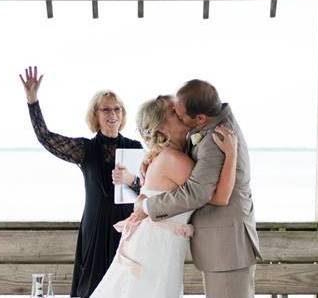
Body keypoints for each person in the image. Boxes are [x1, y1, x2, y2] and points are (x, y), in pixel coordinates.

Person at [90, 95, 239, 298]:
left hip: (157, 244)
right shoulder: (173, 159)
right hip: (155, 248)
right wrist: (232, 154)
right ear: (161, 128)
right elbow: (220, 197)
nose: (181, 113)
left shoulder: (164, 156)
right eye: (173, 112)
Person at [19, 66, 142, 298]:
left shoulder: (134, 147)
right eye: (106, 109)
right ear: (95, 114)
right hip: (94, 227)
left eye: (117, 109)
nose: (112, 114)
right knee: (92, 287)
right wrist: (32, 101)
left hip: (126, 227)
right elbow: (46, 138)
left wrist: (130, 180)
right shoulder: (85, 149)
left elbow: (148, 191)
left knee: (125, 287)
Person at [132, 80, 262, 298]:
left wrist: (146, 205)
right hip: (220, 247)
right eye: (175, 113)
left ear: (200, 118)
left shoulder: (215, 137)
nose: (180, 117)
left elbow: (200, 193)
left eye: (179, 113)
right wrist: (154, 156)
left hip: (227, 248)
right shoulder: (205, 128)